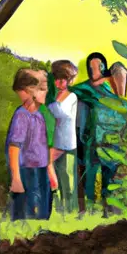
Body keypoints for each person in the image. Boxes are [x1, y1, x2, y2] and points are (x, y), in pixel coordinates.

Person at [71, 53, 127, 217]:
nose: (95, 70)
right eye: (92, 67)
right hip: (88, 140)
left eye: (99, 66)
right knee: (87, 175)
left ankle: (108, 210)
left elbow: (123, 111)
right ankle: (85, 211)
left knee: (109, 175)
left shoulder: (112, 92)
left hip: (110, 140)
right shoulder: (84, 89)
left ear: (105, 67)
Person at [6, 69, 52, 221]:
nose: (47, 93)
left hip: (41, 169)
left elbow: (44, 146)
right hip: (26, 171)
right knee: (27, 214)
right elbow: (14, 147)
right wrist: (16, 179)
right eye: (43, 90)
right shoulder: (21, 116)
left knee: (43, 213)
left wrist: (50, 170)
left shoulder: (40, 115)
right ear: (30, 92)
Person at [47, 60, 79, 214]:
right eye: (57, 78)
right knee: (56, 174)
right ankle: (58, 207)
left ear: (69, 80)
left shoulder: (71, 96)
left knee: (68, 178)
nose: (59, 82)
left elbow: (62, 114)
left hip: (66, 141)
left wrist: (49, 106)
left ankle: (69, 210)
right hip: (56, 140)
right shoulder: (54, 96)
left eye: (63, 79)